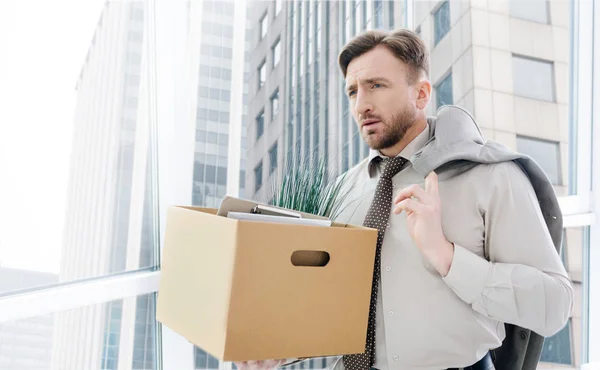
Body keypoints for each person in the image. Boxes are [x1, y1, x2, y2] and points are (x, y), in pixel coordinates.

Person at [236, 28, 573, 370]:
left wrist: (445, 255)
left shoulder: (491, 176)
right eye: (352, 91)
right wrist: (280, 347)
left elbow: (554, 306)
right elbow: (334, 303)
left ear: (422, 93)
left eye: (376, 85)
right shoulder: (344, 190)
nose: (361, 104)